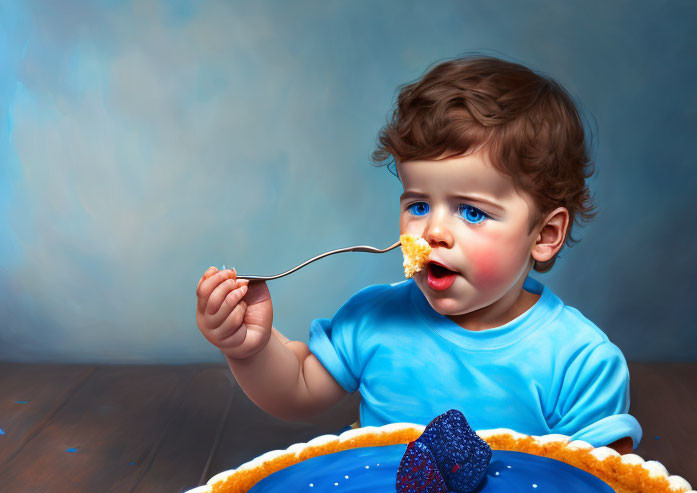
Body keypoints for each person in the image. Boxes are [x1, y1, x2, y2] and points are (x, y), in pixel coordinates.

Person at [196, 55, 641, 452]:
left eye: (471, 211)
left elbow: (605, 488)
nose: (433, 232)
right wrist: (249, 348)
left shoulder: (579, 362)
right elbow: (296, 388)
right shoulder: (375, 318)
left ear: (544, 234)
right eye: (419, 205)